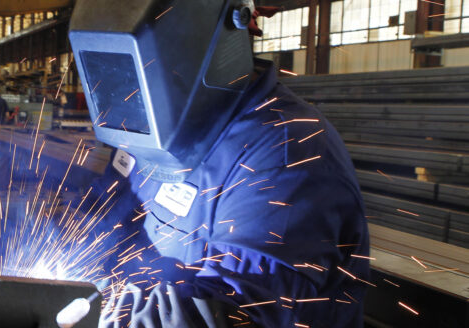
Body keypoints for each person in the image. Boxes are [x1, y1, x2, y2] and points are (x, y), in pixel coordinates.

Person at [64, 0, 370, 327]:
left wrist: (113, 316)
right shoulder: (147, 132)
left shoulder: (285, 154)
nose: (127, 93)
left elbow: (234, 312)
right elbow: (114, 218)